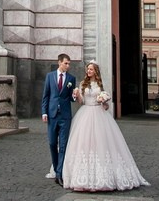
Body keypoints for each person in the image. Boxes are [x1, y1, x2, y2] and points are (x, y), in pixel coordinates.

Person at [62, 61, 149, 192]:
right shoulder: (82, 84)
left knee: (102, 142)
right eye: (88, 69)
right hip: (85, 113)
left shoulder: (100, 85)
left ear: (96, 71)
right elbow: (81, 102)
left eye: (91, 69)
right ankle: (81, 177)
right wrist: (77, 94)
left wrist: (103, 101)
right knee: (83, 143)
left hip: (99, 114)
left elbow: (105, 104)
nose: (89, 71)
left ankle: (105, 176)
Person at [41, 53, 76, 184]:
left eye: (69, 63)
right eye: (66, 63)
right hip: (52, 114)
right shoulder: (50, 76)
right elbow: (46, 95)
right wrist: (44, 112)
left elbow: (72, 98)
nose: (68, 66)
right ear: (59, 62)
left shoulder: (71, 78)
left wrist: (74, 95)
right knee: (52, 143)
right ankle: (56, 168)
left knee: (63, 145)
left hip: (65, 116)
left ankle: (60, 174)